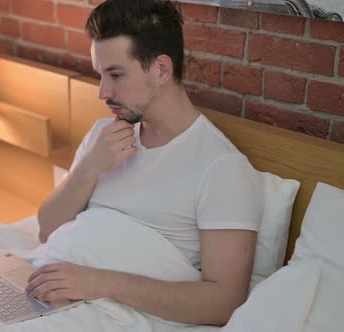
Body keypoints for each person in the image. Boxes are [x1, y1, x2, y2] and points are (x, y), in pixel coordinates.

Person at [25, 0, 263, 326]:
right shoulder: (104, 136)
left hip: (113, 314)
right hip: (47, 290)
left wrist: (99, 282)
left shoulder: (220, 167)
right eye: (100, 75)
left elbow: (224, 303)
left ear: (162, 70)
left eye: (116, 75)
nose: (102, 92)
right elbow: (46, 230)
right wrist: (90, 166)